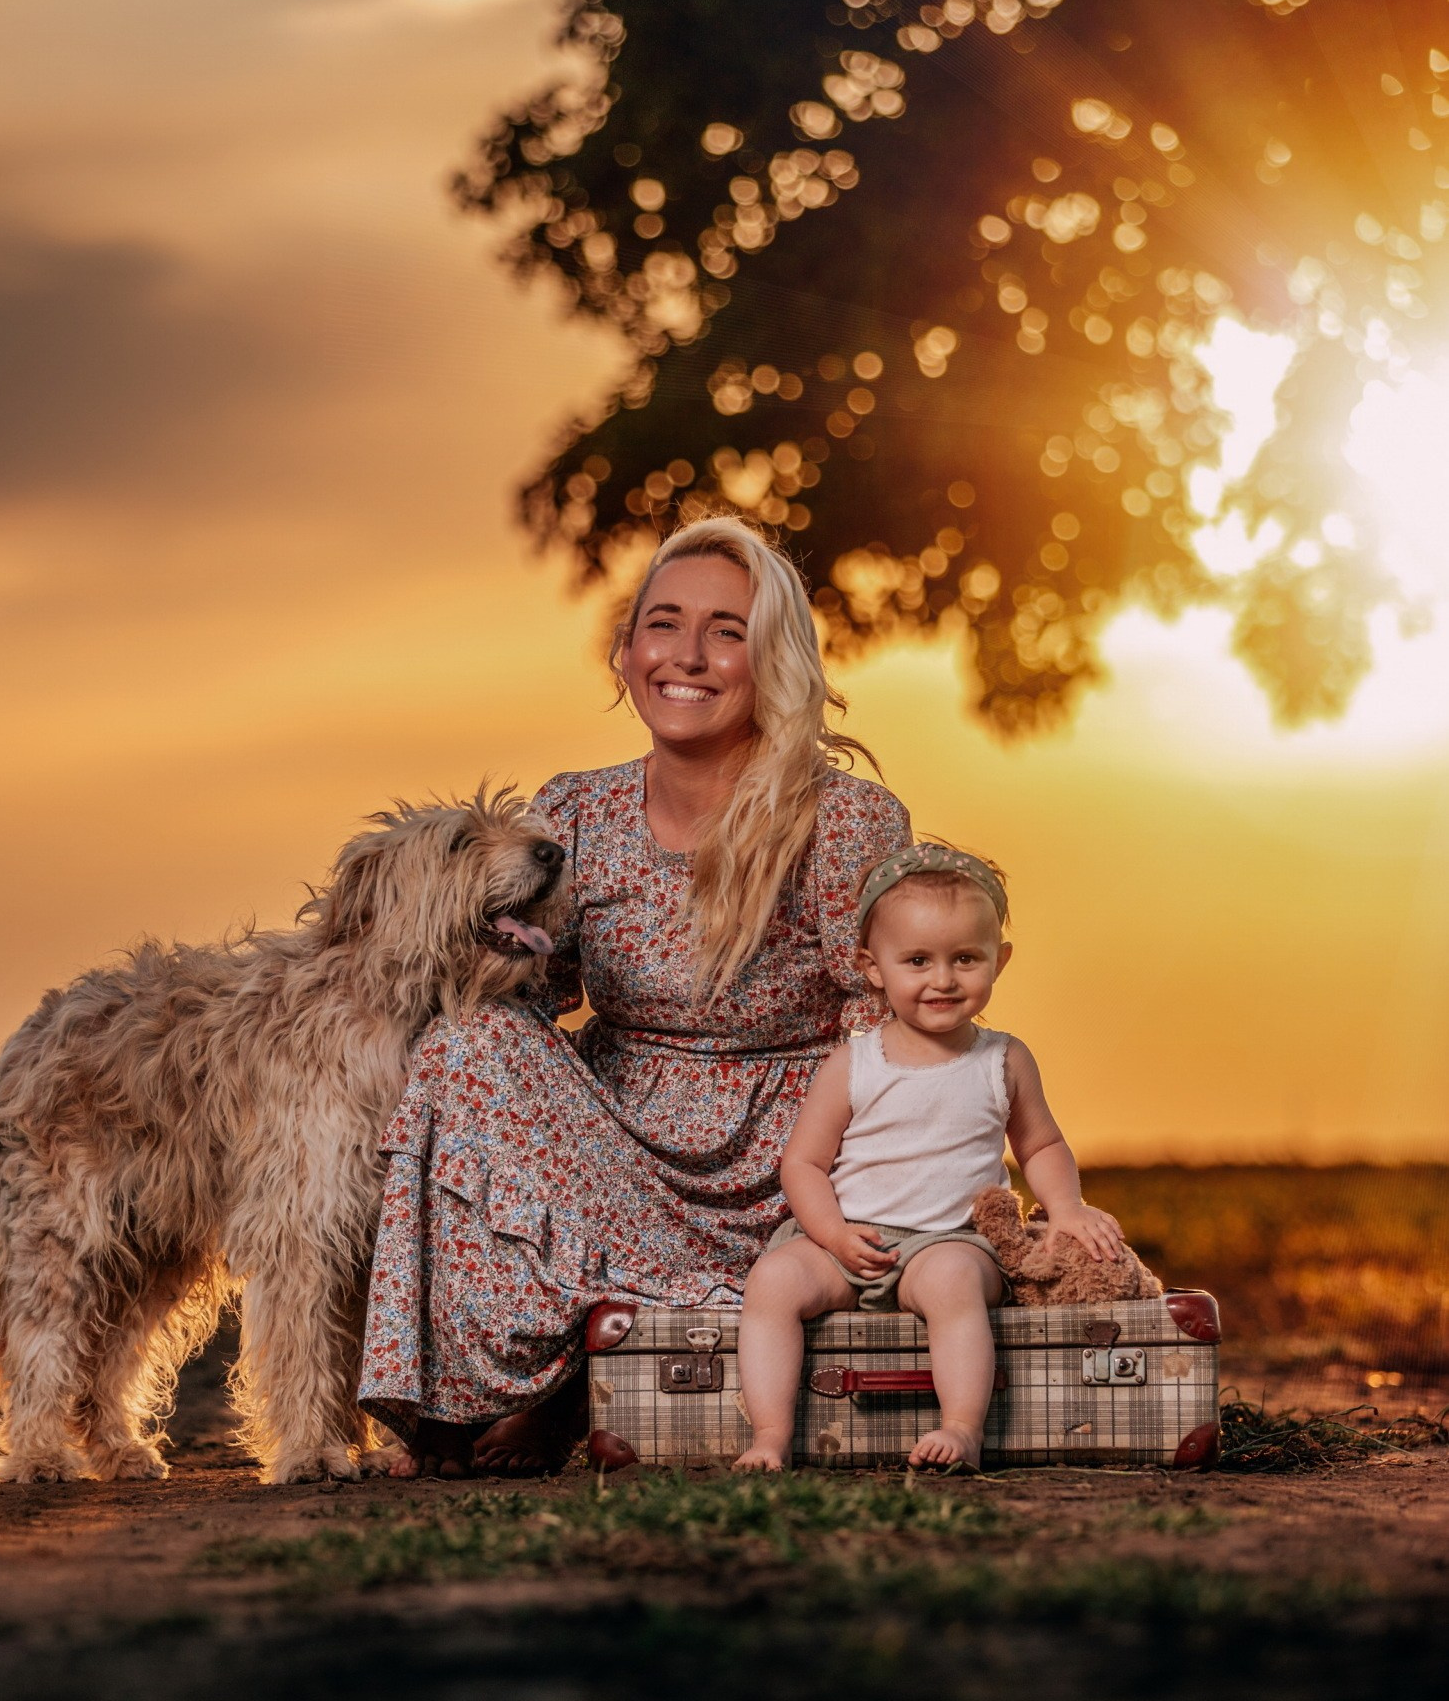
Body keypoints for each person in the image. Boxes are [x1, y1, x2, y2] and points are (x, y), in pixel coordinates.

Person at [360, 513, 911, 1476]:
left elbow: (885, 1020)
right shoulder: (575, 810)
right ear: (625, 652)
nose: (686, 656)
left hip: (784, 1163)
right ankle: (465, 1393)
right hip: (614, 1137)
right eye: (663, 624)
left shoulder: (844, 816)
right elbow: (535, 994)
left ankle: (579, 1378)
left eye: (727, 631)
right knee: (466, 1043)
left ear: (771, 657)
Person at [733, 841, 1126, 1474]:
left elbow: (1042, 1144)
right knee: (773, 1282)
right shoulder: (852, 1064)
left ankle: (962, 1427)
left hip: (950, 1240)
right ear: (873, 966)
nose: (942, 979)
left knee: (951, 1284)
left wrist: (1066, 1206)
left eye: (965, 959)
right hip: (851, 1241)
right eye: (917, 960)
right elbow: (803, 1164)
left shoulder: (1003, 1059)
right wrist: (831, 1234)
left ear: (1000, 961)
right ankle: (771, 1435)